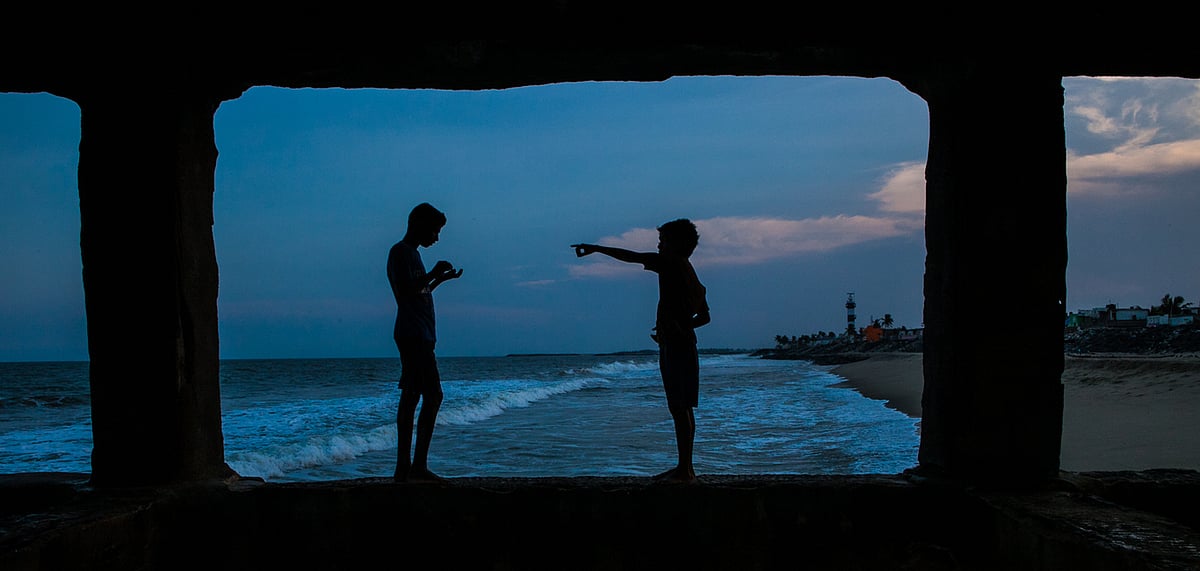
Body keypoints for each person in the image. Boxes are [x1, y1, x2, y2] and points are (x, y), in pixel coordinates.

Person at [571, 219, 711, 483]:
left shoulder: (672, 263)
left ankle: (685, 471)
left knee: (679, 408)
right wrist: (678, 326)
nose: (659, 246)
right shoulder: (690, 273)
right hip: (682, 343)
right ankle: (686, 468)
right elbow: (705, 317)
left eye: (664, 241)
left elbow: (631, 257)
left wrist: (597, 249)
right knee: (683, 408)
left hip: (677, 346)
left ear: (677, 245)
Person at [387, 202, 463, 483]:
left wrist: (440, 279)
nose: (436, 237)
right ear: (419, 225)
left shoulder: (412, 255)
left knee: (414, 396)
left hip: (420, 334)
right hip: (412, 335)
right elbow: (407, 290)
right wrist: (433, 272)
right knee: (430, 395)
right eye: (434, 231)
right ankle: (412, 467)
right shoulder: (401, 252)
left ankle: (407, 468)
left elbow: (421, 290)